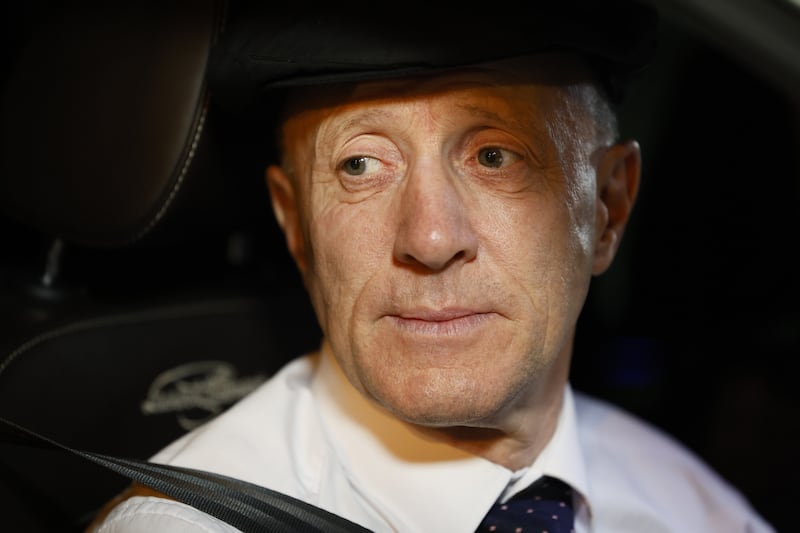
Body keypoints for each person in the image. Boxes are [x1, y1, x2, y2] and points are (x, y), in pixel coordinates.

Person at [90, 2, 775, 532]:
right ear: (295, 224)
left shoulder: (700, 507)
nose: (430, 236)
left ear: (607, 209)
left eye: (495, 155)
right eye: (360, 165)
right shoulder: (186, 522)